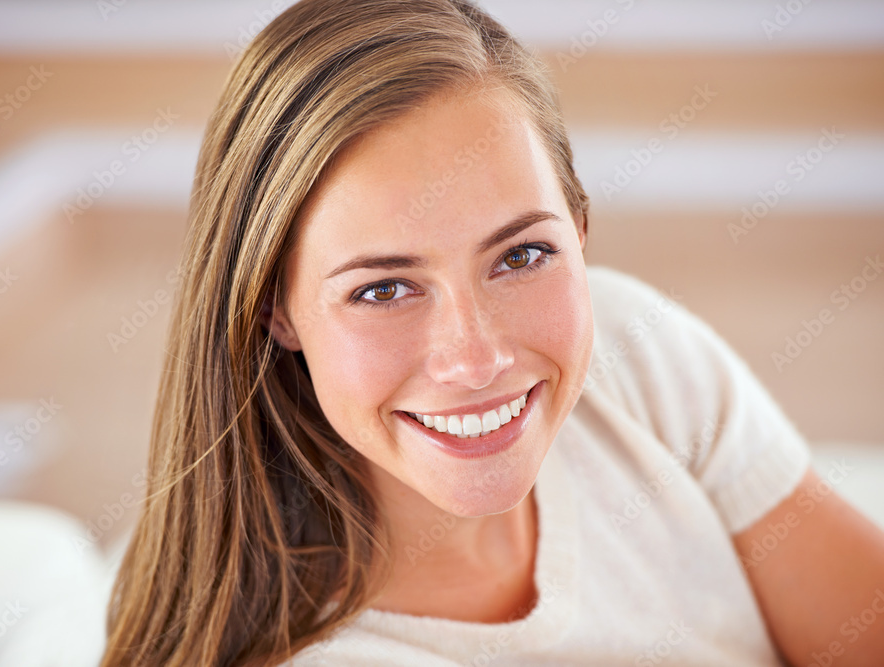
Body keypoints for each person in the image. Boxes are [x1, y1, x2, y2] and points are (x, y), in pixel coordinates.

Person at [101, 1, 884, 665]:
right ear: (275, 306)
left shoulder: (634, 350)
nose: (477, 359)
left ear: (579, 228)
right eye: (383, 288)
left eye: (521, 254)